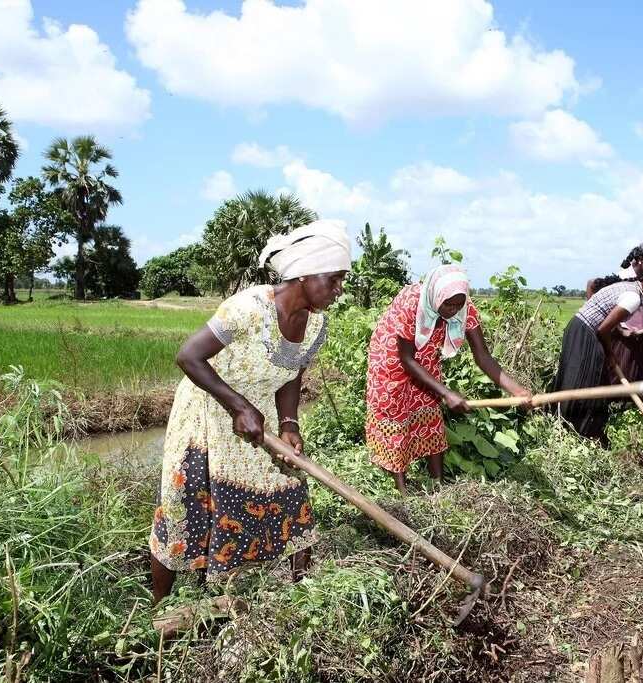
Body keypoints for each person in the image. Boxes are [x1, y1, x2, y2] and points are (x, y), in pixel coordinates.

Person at [149, 220, 351, 605]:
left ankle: (301, 601)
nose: (340, 289)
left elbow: (292, 375)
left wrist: (289, 424)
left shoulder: (317, 324)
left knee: (290, 492)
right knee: (186, 507)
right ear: (305, 274)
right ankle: (156, 610)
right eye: (335, 278)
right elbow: (188, 356)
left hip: (259, 418)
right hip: (206, 413)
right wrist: (239, 406)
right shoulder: (248, 307)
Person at [366, 264, 532, 495]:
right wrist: (447, 392)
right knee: (397, 415)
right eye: (448, 304)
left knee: (430, 412)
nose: (453, 310)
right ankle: (402, 490)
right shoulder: (412, 304)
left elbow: (483, 357)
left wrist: (517, 390)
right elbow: (406, 359)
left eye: (458, 304)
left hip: (426, 358)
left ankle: (438, 485)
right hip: (392, 358)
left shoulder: (466, 310)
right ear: (436, 295)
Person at [553, 264, 643, 445]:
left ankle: (576, 427)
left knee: (586, 378)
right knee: (583, 379)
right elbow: (603, 330)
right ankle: (573, 430)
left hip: (579, 328)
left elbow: (608, 316)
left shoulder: (631, 290)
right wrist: (610, 354)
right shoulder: (633, 297)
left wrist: (623, 333)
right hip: (585, 331)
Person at [585, 240, 643, 330]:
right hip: (619, 336)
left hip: (635, 333)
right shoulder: (622, 279)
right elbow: (591, 283)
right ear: (641, 260)